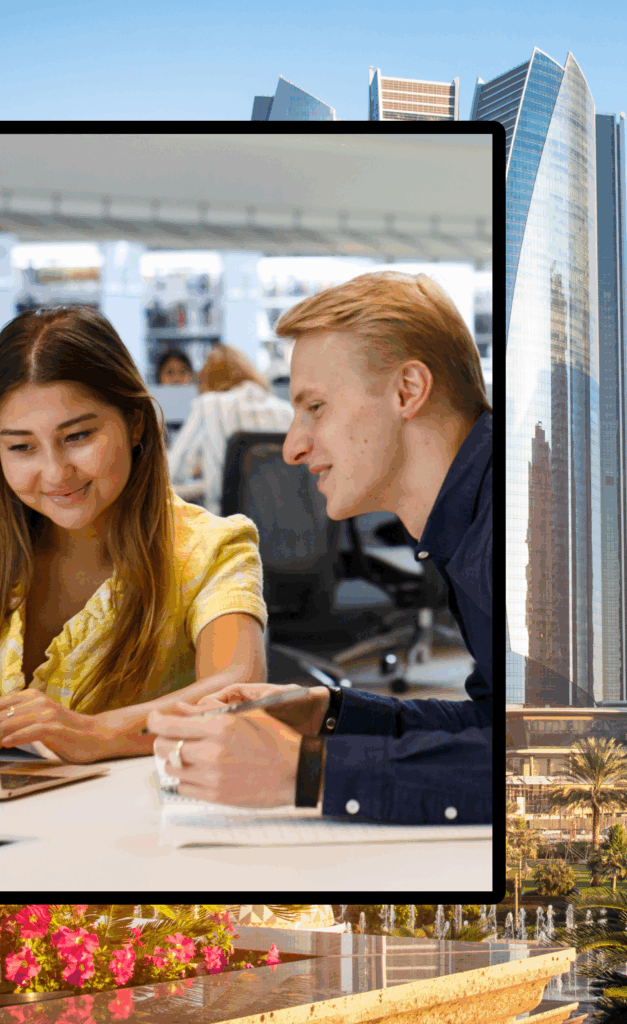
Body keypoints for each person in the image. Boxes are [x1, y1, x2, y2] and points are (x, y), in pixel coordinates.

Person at [148, 271, 493, 825]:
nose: (292, 448)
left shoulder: (531, 529)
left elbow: (585, 762)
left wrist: (308, 771)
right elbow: (498, 729)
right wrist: (327, 714)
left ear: (407, 391)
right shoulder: (475, 517)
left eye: (315, 407)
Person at [0, 306, 268, 763]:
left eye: (78, 437)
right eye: (22, 447)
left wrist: (96, 733)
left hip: (124, 806)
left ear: (135, 423)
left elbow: (239, 691)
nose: (55, 473)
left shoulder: (209, 548)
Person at [167, 344, 294, 513]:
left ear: (207, 379)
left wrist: (208, 483)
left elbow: (170, 475)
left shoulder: (209, 406)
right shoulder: (287, 411)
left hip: (231, 524)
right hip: (289, 522)